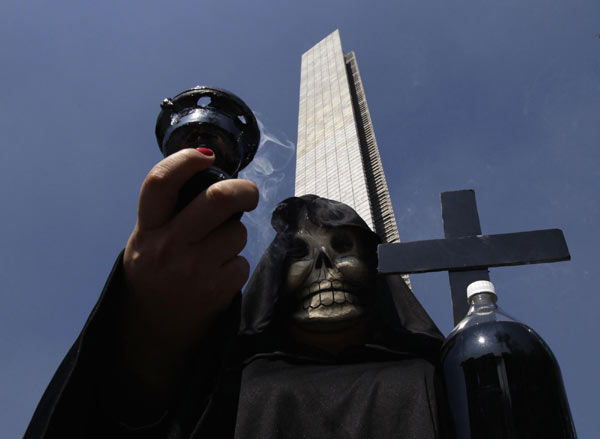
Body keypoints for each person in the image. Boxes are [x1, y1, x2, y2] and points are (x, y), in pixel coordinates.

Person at [26, 149, 450, 438]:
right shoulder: (221, 388)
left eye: (343, 248)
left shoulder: (445, 379)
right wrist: (147, 341)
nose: (325, 267)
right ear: (273, 282)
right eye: (299, 252)